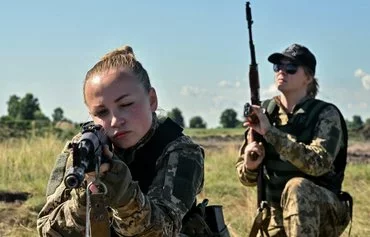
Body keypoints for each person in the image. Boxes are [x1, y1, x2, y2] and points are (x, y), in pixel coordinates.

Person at [37, 45, 205, 236]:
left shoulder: (180, 151)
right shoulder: (84, 148)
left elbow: (161, 230)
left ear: (151, 100)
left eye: (126, 104)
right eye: (101, 112)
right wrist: (86, 195)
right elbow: (48, 230)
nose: (116, 120)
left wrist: (124, 196)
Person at [236, 43, 352, 237]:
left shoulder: (325, 114)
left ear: (308, 77)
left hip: (322, 213)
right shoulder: (265, 112)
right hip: (275, 218)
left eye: (291, 68)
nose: (282, 71)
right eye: (277, 67)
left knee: (298, 187)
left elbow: (318, 164)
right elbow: (245, 178)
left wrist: (271, 133)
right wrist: (250, 164)